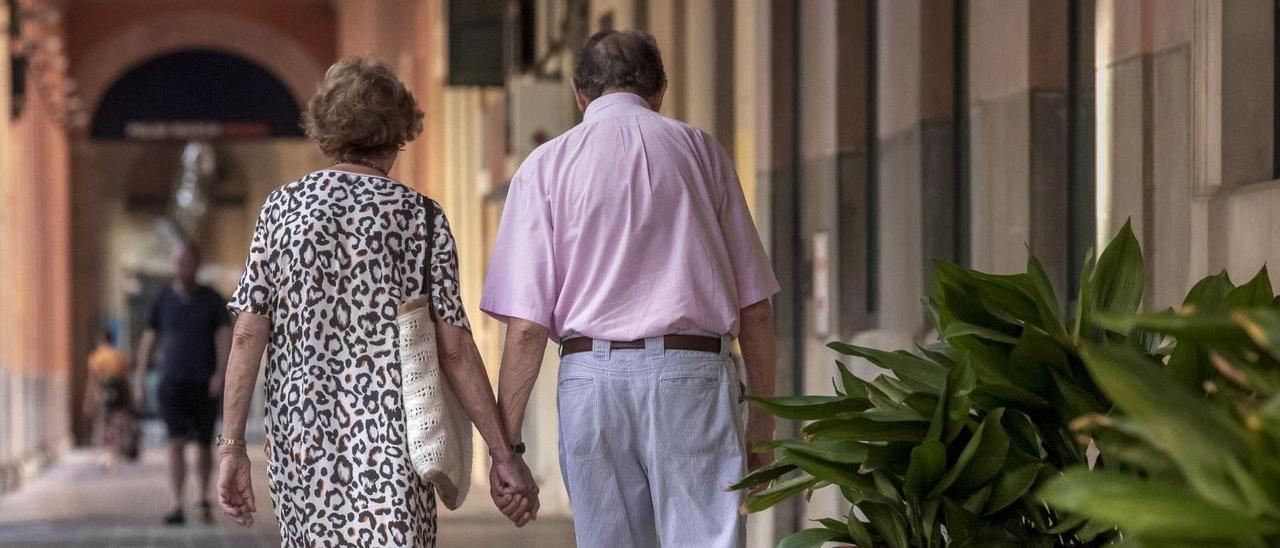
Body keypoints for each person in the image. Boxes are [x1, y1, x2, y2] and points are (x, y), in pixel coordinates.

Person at [216, 57, 538, 547]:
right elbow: (454, 349)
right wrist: (503, 453)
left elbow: (247, 332)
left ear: (326, 127)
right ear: (400, 130)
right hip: (395, 440)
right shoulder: (421, 218)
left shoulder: (281, 210)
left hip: (301, 439)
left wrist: (232, 446)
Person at [481, 30, 781, 548]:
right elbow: (755, 308)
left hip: (590, 384)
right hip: (693, 378)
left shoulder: (545, 168)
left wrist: (507, 450)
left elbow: (527, 329)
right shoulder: (702, 153)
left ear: (579, 93)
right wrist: (762, 425)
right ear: (660, 89)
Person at [135, 243, 232, 525]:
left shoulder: (212, 299)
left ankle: (202, 499)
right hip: (172, 383)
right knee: (175, 443)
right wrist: (140, 380)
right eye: (178, 262)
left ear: (196, 264)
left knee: (203, 443)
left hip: (205, 382)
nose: (183, 267)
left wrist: (221, 373)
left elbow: (224, 337)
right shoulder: (162, 299)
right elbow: (148, 340)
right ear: (173, 265)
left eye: (188, 261)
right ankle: (177, 503)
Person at [85, 329, 136, 467]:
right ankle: (119, 448)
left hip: (104, 391)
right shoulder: (119, 356)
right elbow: (125, 380)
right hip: (119, 392)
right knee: (119, 420)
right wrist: (130, 399)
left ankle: (108, 451)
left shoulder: (96, 357)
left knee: (105, 422)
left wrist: (88, 402)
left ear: (100, 340)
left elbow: (93, 381)